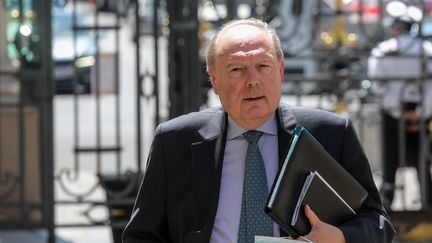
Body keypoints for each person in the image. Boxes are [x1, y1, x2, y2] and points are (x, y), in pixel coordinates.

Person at [123, 18, 395, 243]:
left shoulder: (331, 133)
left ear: (280, 69)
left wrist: (339, 237)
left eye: (263, 66)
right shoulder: (175, 141)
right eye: (237, 69)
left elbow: (378, 223)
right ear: (214, 80)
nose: (253, 81)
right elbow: (141, 235)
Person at [367, 16, 432, 210]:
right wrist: (421, 112)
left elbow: (377, 86)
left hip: (392, 113)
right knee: (423, 162)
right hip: (420, 113)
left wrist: (397, 111)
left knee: (390, 163)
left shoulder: (382, 50)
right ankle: (428, 204)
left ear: (395, 28)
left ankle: (385, 208)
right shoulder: (426, 49)